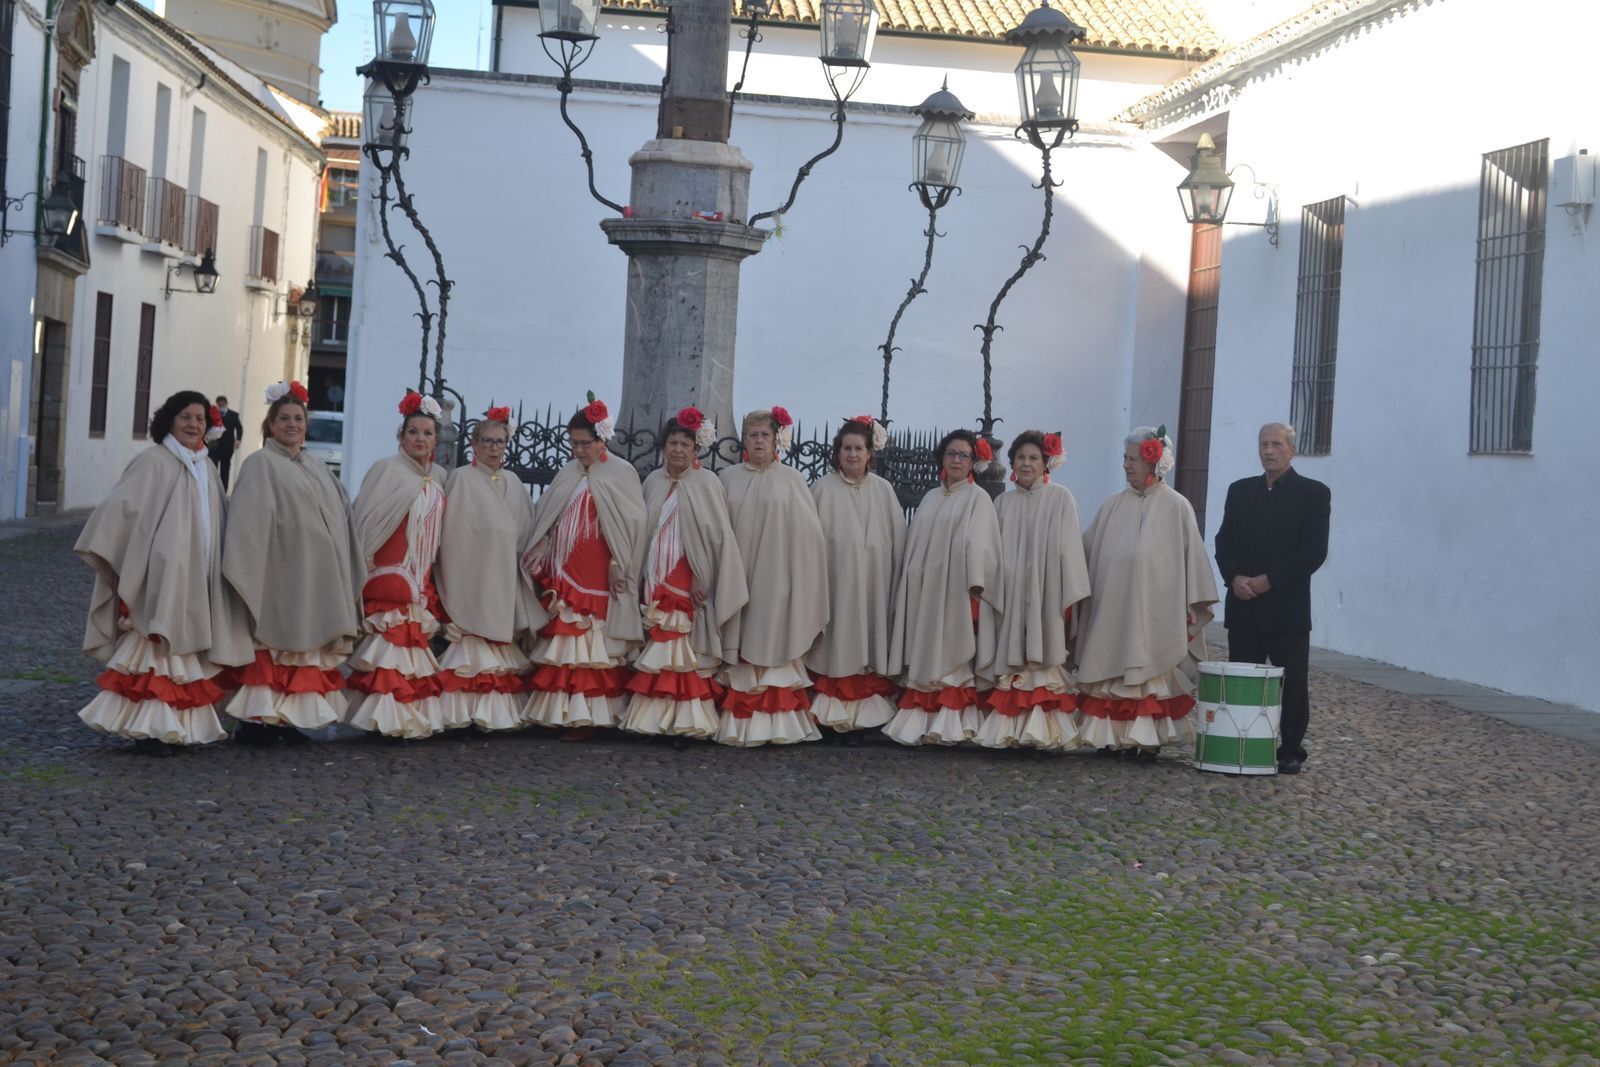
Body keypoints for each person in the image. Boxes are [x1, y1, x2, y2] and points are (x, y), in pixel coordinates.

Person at [74, 390, 253, 753]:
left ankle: (180, 726)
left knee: (185, 655)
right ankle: (151, 727)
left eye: (200, 418)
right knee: (156, 649)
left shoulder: (206, 468)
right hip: (160, 575)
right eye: (186, 417)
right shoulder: (153, 461)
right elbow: (121, 508)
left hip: (198, 576)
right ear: (169, 420)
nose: (193, 424)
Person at [223, 380, 364, 742]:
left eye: (298, 418)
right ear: (270, 424)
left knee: (303, 651)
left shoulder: (314, 465)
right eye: (284, 418)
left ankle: (285, 719)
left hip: (312, 575)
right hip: (278, 573)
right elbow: (247, 524)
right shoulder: (260, 464)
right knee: (275, 648)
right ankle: (257, 722)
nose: (292, 424)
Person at [1074, 426, 1218, 762]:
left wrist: (1191, 605)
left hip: (1158, 609)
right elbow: (1086, 550)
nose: (1127, 465)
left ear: (1154, 461)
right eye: (1125, 458)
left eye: (1134, 459)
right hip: (1113, 607)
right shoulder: (1111, 506)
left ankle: (1147, 737)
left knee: (1151, 672)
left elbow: (1192, 561)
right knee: (1111, 666)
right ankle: (1110, 736)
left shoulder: (1177, 507)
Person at [521, 393, 646, 739]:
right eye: (574, 443)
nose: (578, 450)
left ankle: (591, 715)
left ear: (601, 439)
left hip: (600, 569)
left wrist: (622, 562)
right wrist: (543, 541)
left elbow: (633, 525)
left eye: (585, 443)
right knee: (565, 642)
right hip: (566, 566)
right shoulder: (567, 473)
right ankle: (560, 711)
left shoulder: (621, 472)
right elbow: (550, 513)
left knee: (592, 646)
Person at [621, 407, 748, 741]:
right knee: (659, 651)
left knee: (683, 653)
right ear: (663, 447)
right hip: (656, 576)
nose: (678, 449)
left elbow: (716, 536)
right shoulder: (653, 482)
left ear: (696, 450)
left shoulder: (706, 483)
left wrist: (702, 577)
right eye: (673, 443)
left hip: (688, 578)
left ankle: (685, 721)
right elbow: (641, 531)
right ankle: (653, 718)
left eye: (685, 444)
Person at [1214, 421, 1331, 775]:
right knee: (1242, 680)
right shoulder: (1240, 491)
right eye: (1264, 444)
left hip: (1286, 608)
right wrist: (1235, 577)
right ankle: (1239, 742)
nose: (1269, 450)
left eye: (1277, 444)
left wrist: (1268, 581)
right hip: (1244, 605)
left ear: (1291, 450)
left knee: (1292, 683)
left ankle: (1291, 748)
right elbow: (1225, 542)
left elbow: (1313, 552)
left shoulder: (1313, 493)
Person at [716, 407, 829, 746]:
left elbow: (810, 537)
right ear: (744, 441)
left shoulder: (792, 480)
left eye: (765, 435)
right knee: (742, 644)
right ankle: (741, 724)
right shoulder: (728, 478)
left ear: (776, 439)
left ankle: (781, 725)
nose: (760, 441)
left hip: (778, 579)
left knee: (775, 642)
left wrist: (797, 580)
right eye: (753, 435)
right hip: (738, 577)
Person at [883, 428, 1001, 746]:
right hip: (925, 592)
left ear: (974, 461)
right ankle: (922, 719)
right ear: (942, 458)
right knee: (925, 650)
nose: (956, 460)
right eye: (951, 454)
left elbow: (982, 546)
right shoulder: (931, 497)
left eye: (963, 455)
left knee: (951, 652)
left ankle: (953, 723)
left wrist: (972, 580)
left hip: (955, 592)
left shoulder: (978, 499)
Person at [345, 390, 451, 738]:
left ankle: (403, 717)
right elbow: (366, 519)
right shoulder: (386, 470)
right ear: (401, 436)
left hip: (419, 575)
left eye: (427, 433)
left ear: (436, 438)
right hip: (389, 572)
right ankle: (381, 719)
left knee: (409, 653)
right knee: (388, 650)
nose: (420, 439)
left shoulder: (438, 477)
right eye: (413, 432)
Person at [977, 430, 1091, 750]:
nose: (1026, 464)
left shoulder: (1061, 498)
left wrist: (1065, 596)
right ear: (1012, 461)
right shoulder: (1003, 503)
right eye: (1021, 457)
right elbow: (992, 552)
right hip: (1011, 594)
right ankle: (1011, 731)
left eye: (1033, 458)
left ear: (1046, 464)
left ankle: (1047, 733)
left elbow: (1069, 549)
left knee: (1043, 659)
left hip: (1047, 593)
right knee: (1014, 654)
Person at [435, 407, 547, 731]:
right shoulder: (462, 479)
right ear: (474, 443)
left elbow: (527, 529)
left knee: (500, 651)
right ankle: (462, 715)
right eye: (488, 441)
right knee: (472, 651)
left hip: (505, 578)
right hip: (474, 576)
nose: (495, 448)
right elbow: (455, 532)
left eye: (500, 442)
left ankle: (494, 716)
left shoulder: (513, 482)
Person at [808, 415, 904, 737]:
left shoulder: (884, 490)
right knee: (838, 642)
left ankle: (868, 716)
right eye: (846, 448)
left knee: (870, 642)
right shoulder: (822, 488)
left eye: (858, 448)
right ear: (838, 453)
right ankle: (833, 715)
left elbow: (898, 539)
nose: (852, 454)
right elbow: (809, 538)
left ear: (869, 454)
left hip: (875, 584)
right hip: (836, 584)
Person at [206, 395, 245, 490]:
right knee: (212, 466)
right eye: (219, 405)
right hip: (214, 445)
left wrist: (238, 440)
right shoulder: (213, 414)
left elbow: (239, 427)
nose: (221, 406)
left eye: (222, 404)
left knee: (225, 468)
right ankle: (212, 488)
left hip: (227, 445)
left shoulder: (233, 415)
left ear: (226, 404)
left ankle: (223, 490)